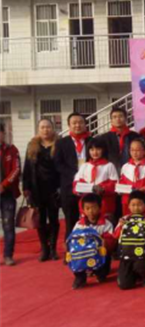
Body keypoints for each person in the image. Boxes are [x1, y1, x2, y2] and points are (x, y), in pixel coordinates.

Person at [23, 119, 60, 262]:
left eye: (48, 127)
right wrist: (26, 187)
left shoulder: (59, 144)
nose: (45, 130)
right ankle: (44, 248)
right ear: (38, 129)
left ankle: (53, 248)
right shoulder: (32, 145)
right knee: (40, 220)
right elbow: (27, 168)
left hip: (54, 189)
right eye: (42, 127)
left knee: (54, 219)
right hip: (37, 189)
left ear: (53, 128)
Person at [54, 112, 92, 243]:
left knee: (90, 218)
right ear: (69, 125)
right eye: (74, 123)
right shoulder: (61, 143)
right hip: (69, 187)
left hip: (89, 186)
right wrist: (76, 175)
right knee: (71, 220)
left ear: (85, 124)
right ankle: (71, 248)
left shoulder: (92, 141)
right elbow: (58, 164)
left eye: (80, 122)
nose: (77, 125)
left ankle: (90, 247)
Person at [114, 191, 145, 289]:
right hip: (126, 254)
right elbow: (115, 236)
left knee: (141, 266)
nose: (136, 208)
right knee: (124, 285)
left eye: (139, 204)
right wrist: (121, 227)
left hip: (143, 254)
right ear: (128, 206)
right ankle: (134, 275)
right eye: (133, 205)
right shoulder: (124, 219)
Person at [70, 194, 115, 290]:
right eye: (87, 208)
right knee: (73, 255)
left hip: (99, 254)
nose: (91, 211)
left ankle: (100, 272)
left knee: (103, 272)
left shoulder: (106, 224)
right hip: (84, 254)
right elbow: (73, 239)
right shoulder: (79, 224)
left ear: (100, 208)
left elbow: (111, 241)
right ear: (83, 210)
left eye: (94, 207)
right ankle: (80, 277)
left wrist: (104, 242)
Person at [73, 138, 119, 222]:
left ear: (103, 150)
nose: (95, 152)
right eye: (92, 149)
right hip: (87, 205)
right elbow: (76, 185)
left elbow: (115, 185)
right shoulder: (84, 166)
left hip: (104, 205)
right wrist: (86, 188)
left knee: (105, 227)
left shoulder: (109, 166)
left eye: (98, 149)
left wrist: (102, 188)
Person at [118, 137, 145, 216]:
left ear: (144, 151)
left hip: (144, 202)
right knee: (128, 221)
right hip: (127, 202)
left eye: (138, 150)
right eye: (132, 150)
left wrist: (144, 189)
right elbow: (121, 183)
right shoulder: (125, 166)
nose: (135, 153)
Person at [0, 123, 20, 266]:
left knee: (8, 225)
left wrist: (4, 185)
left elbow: (16, 169)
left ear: (3, 133)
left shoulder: (12, 150)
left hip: (7, 194)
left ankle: (8, 255)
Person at [99, 107, 139, 172]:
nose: (118, 119)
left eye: (120, 116)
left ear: (126, 119)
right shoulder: (104, 138)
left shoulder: (135, 136)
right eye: (114, 117)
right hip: (111, 171)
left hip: (132, 170)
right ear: (111, 120)